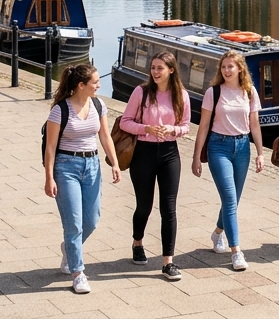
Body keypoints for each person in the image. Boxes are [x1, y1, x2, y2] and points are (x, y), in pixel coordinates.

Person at [43, 63, 121, 295]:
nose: (99, 85)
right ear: (81, 85)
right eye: (95, 82)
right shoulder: (60, 110)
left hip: (93, 165)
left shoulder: (98, 104)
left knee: (92, 219)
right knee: (74, 222)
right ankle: (78, 272)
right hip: (66, 167)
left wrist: (114, 163)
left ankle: (69, 247)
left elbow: (105, 136)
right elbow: (50, 147)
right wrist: (49, 178)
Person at [120, 52, 191, 282]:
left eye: (160, 68)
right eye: (153, 68)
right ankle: (137, 242)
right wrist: (146, 129)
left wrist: (173, 130)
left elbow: (186, 126)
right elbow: (125, 122)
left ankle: (167, 261)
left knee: (169, 208)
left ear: (171, 70)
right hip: (144, 153)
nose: (156, 72)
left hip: (170, 153)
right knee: (144, 206)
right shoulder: (141, 92)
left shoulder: (181, 95)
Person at [190, 51, 264, 271]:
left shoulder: (249, 92)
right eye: (224, 67)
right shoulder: (213, 93)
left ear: (240, 68)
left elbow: (255, 125)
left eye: (231, 66)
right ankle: (236, 252)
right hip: (218, 147)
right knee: (230, 199)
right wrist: (195, 157)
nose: (227, 70)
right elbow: (203, 126)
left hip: (242, 148)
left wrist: (260, 153)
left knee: (233, 200)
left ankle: (218, 233)